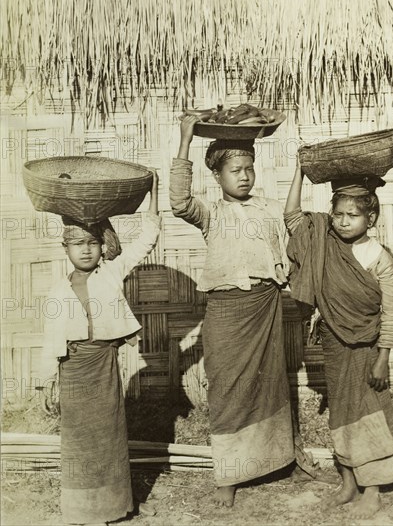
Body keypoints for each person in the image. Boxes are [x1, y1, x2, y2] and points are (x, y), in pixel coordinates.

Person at [169, 114, 295, 507]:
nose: (244, 176)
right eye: (235, 170)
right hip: (227, 309)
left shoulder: (270, 209)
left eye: (249, 169)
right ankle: (228, 473)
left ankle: (274, 460)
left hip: (265, 305)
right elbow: (178, 202)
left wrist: (302, 172)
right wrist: (185, 141)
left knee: (269, 381)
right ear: (217, 176)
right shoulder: (211, 215)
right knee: (226, 388)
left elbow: (294, 232)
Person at [38, 170, 160, 525]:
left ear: (101, 246)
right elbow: (51, 341)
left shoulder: (111, 272)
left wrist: (155, 194)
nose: (87, 249)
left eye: (93, 242)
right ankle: (82, 510)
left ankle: (114, 505)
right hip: (74, 370)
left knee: (110, 436)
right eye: (79, 244)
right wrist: (47, 380)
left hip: (104, 365)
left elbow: (147, 238)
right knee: (78, 440)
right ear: (66, 249)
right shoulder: (57, 292)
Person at [284, 163, 393, 519]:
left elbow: (391, 314)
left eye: (353, 215)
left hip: (368, 349)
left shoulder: (380, 258)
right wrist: (300, 172)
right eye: (338, 214)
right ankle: (349, 480)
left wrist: (383, 357)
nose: (343, 221)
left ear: (372, 217)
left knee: (370, 414)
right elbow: (291, 216)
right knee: (342, 413)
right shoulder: (322, 238)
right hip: (334, 342)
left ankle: (373, 487)